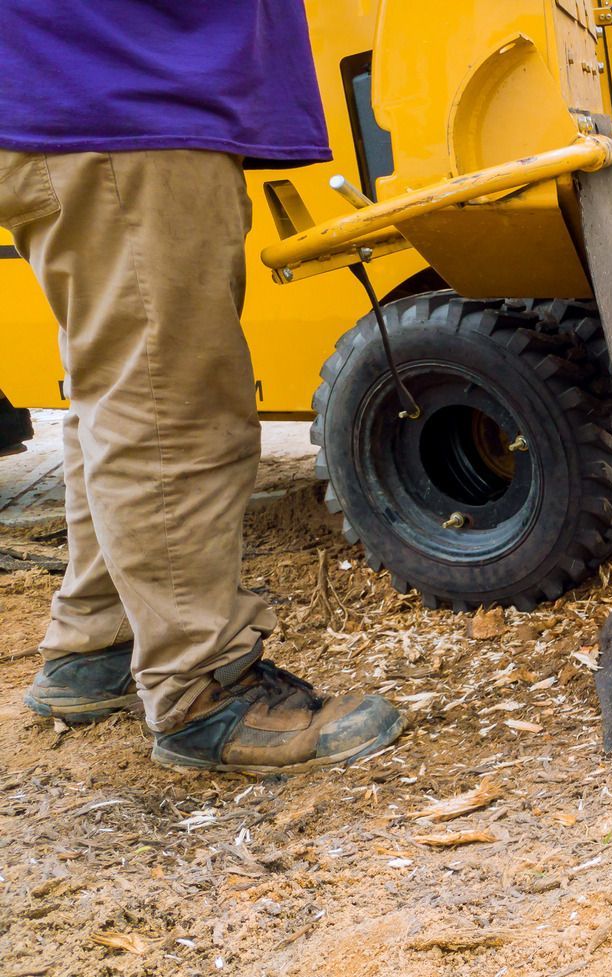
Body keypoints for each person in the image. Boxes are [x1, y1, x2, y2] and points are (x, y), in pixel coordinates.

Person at [0, 2, 403, 772]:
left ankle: (99, 643)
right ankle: (203, 690)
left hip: (80, 84)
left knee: (125, 384)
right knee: (172, 405)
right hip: (120, 86)